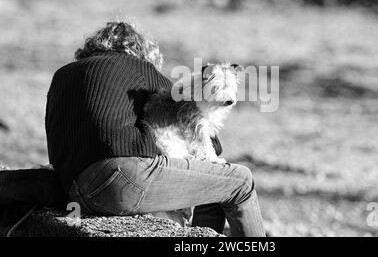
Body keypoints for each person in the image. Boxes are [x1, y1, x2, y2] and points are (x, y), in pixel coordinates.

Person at [45, 22, 265, 237]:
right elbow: (189, 113)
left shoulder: (61, 76)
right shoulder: (137, 66)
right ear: (138, 50)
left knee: (213, 181)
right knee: (238, 181)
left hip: (72, 192)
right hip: (120, 179)